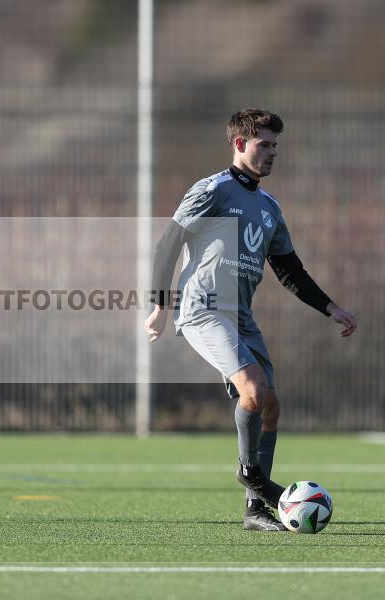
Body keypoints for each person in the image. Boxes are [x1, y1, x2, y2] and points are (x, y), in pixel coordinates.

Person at [144, 109, 357, 531]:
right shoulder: (213, 190)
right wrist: (159, 305)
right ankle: (251, 474)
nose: (273, 152)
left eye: (276, 144)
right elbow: (169, 242)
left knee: (270, 406)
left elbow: (289, 270)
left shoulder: (269, 207)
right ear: (239, 144)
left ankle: (255, 511)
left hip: (241, 315)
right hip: (203, 309)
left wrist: (330, 307)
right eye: (265, 143)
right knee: (254, 390)